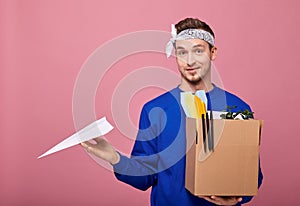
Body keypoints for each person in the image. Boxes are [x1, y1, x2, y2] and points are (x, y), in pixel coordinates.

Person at [81, 17, 263, 206]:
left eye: (198, 51)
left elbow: (249, 173)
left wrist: (236, 198)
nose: (190, 60)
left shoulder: (238, 108)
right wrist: (116, 159)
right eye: (182, 52)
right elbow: (145, 177)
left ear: (213, 52)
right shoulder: (155, 110)